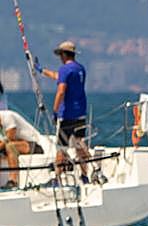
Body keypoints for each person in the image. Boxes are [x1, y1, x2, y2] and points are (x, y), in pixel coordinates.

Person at [39, 40, 91, 181]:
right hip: (80, 113)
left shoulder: (65, 70)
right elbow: (59, 77)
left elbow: (61, 90)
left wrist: (55, 110)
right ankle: (85, 174)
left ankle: (58, 177)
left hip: (67, 115)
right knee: (80, 143)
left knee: (61, 147)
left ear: (63, 55)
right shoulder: (80, 69)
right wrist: (42, 71)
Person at [1, 107, 43, 189]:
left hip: (32, 144)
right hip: (19, 143)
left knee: (10, 146)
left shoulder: (7, 116)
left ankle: (13, 180)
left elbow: (10, 137)